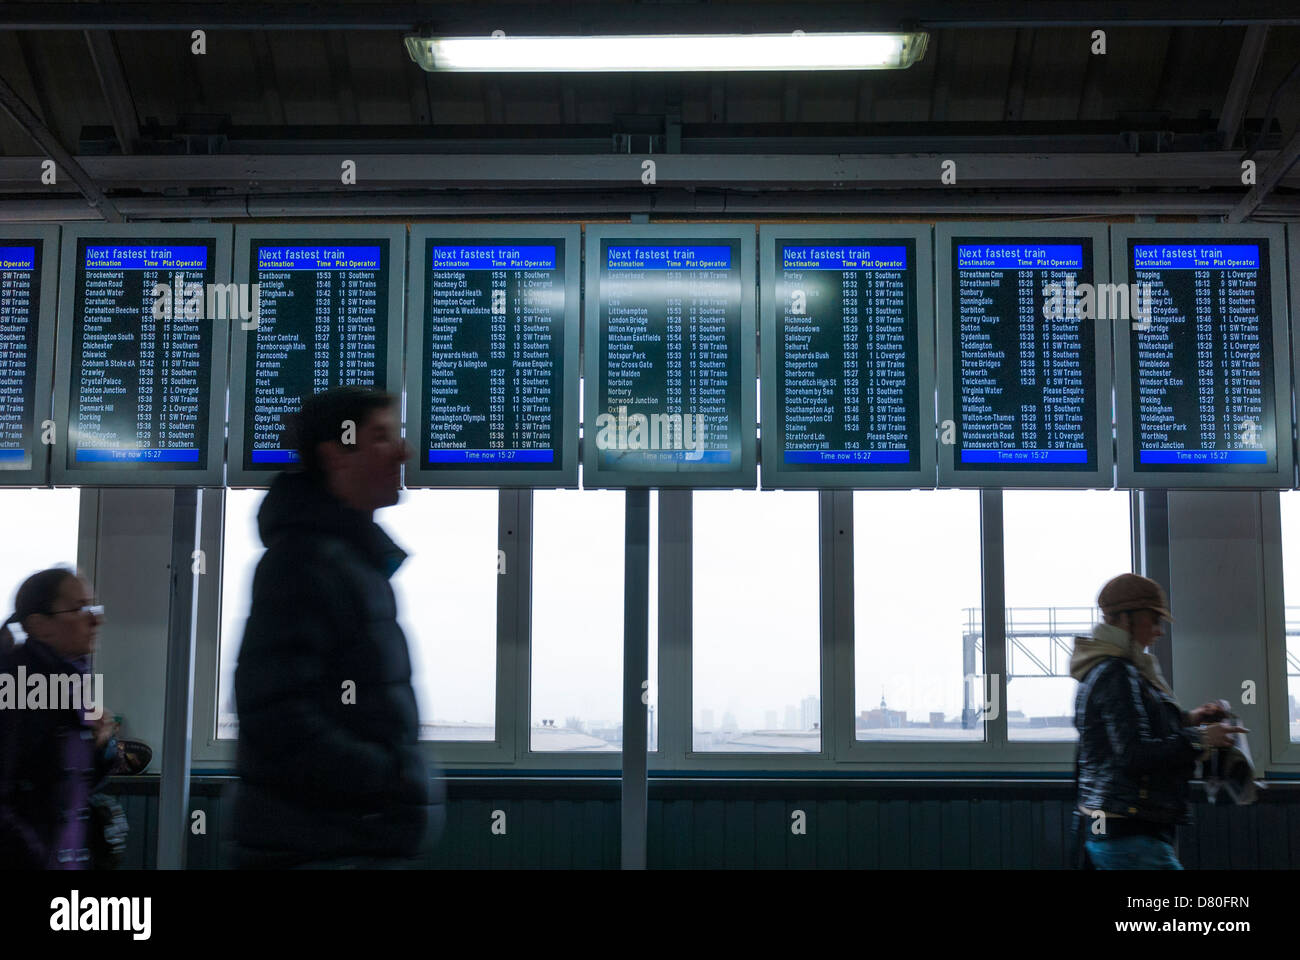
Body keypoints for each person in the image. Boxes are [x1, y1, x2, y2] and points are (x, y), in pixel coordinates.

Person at [230, 386, 432, 868]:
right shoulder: (303, 562)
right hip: (317, 849)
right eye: (382, 437)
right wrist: (388, 777)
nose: (403, 451)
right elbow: (276, 716)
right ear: (335, 455)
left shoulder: (350, 561)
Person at [1071, 573, 1245, 869]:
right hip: (1129, 828)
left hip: (1112, 824)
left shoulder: (1103, 668)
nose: (1159, 631)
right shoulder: (1119, 672)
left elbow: (1130, 730)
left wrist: (1190, 719)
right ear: (1125, 619)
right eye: (1153, 620)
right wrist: (1201, 739)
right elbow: (1134, 754)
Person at [0, 568, 116, 869]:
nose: (95, 618)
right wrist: (37, 859)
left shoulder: (70, 681)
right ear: (39, 625)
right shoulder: (15, 686)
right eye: (79, 609)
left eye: (93, 606)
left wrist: (102, 745)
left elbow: (69, 785)